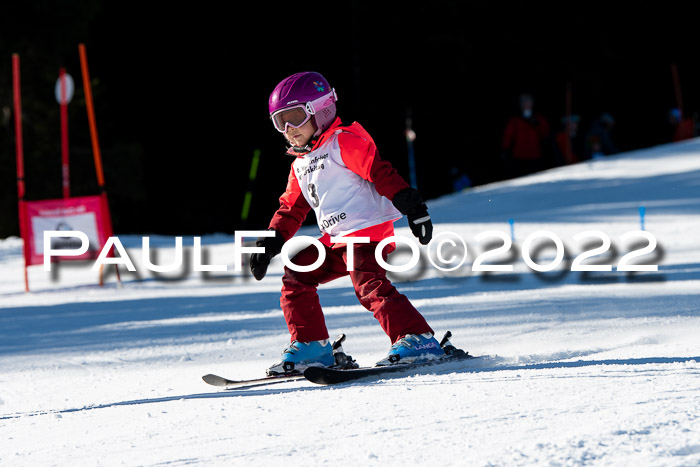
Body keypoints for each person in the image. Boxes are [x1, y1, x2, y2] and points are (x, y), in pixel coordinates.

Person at [250, 72, 445, 375]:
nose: (289, 130)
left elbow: (379, 172)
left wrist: (412, 205)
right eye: (280, 122)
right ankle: (312, 346)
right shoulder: (300, 164)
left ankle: (417, 338)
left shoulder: (345, 141)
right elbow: (291, 208)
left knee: (368, 283)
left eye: (295, 118)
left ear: (322, 110)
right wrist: (271, 241)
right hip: (335, 239)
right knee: (296, 274)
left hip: (366, 232)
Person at [501, 93, 551, 177]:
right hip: (519, 156)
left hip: (535, 154)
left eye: (529, 102)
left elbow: (546, 134)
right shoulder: (515, 119)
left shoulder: (538, 118)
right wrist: (505, 149)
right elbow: (508, 136)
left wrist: (536, 124)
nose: (527, 104)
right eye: (524, 102)